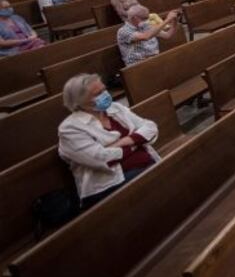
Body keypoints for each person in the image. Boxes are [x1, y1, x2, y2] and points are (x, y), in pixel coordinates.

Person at [58, 73, 159, 209]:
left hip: (143, 165)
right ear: (80, 101)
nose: (105, 94)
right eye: (97, 94)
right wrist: (136, 142)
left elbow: (150, 127)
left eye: (104, 89)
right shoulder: (70, 128)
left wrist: (125, 141)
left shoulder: (114, 108)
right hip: (108, 184)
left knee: (165, 169)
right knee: (158, 176)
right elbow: (101, 159)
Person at [116, 4, 180, 66]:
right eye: (144, 18)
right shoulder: (123, 31)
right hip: (138, 66)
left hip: (154, 60)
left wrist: (174, 20)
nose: (147, 20)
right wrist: (167, 20)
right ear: (135, 18)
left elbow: (168, 35)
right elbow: (146, 36)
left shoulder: (146, 25)